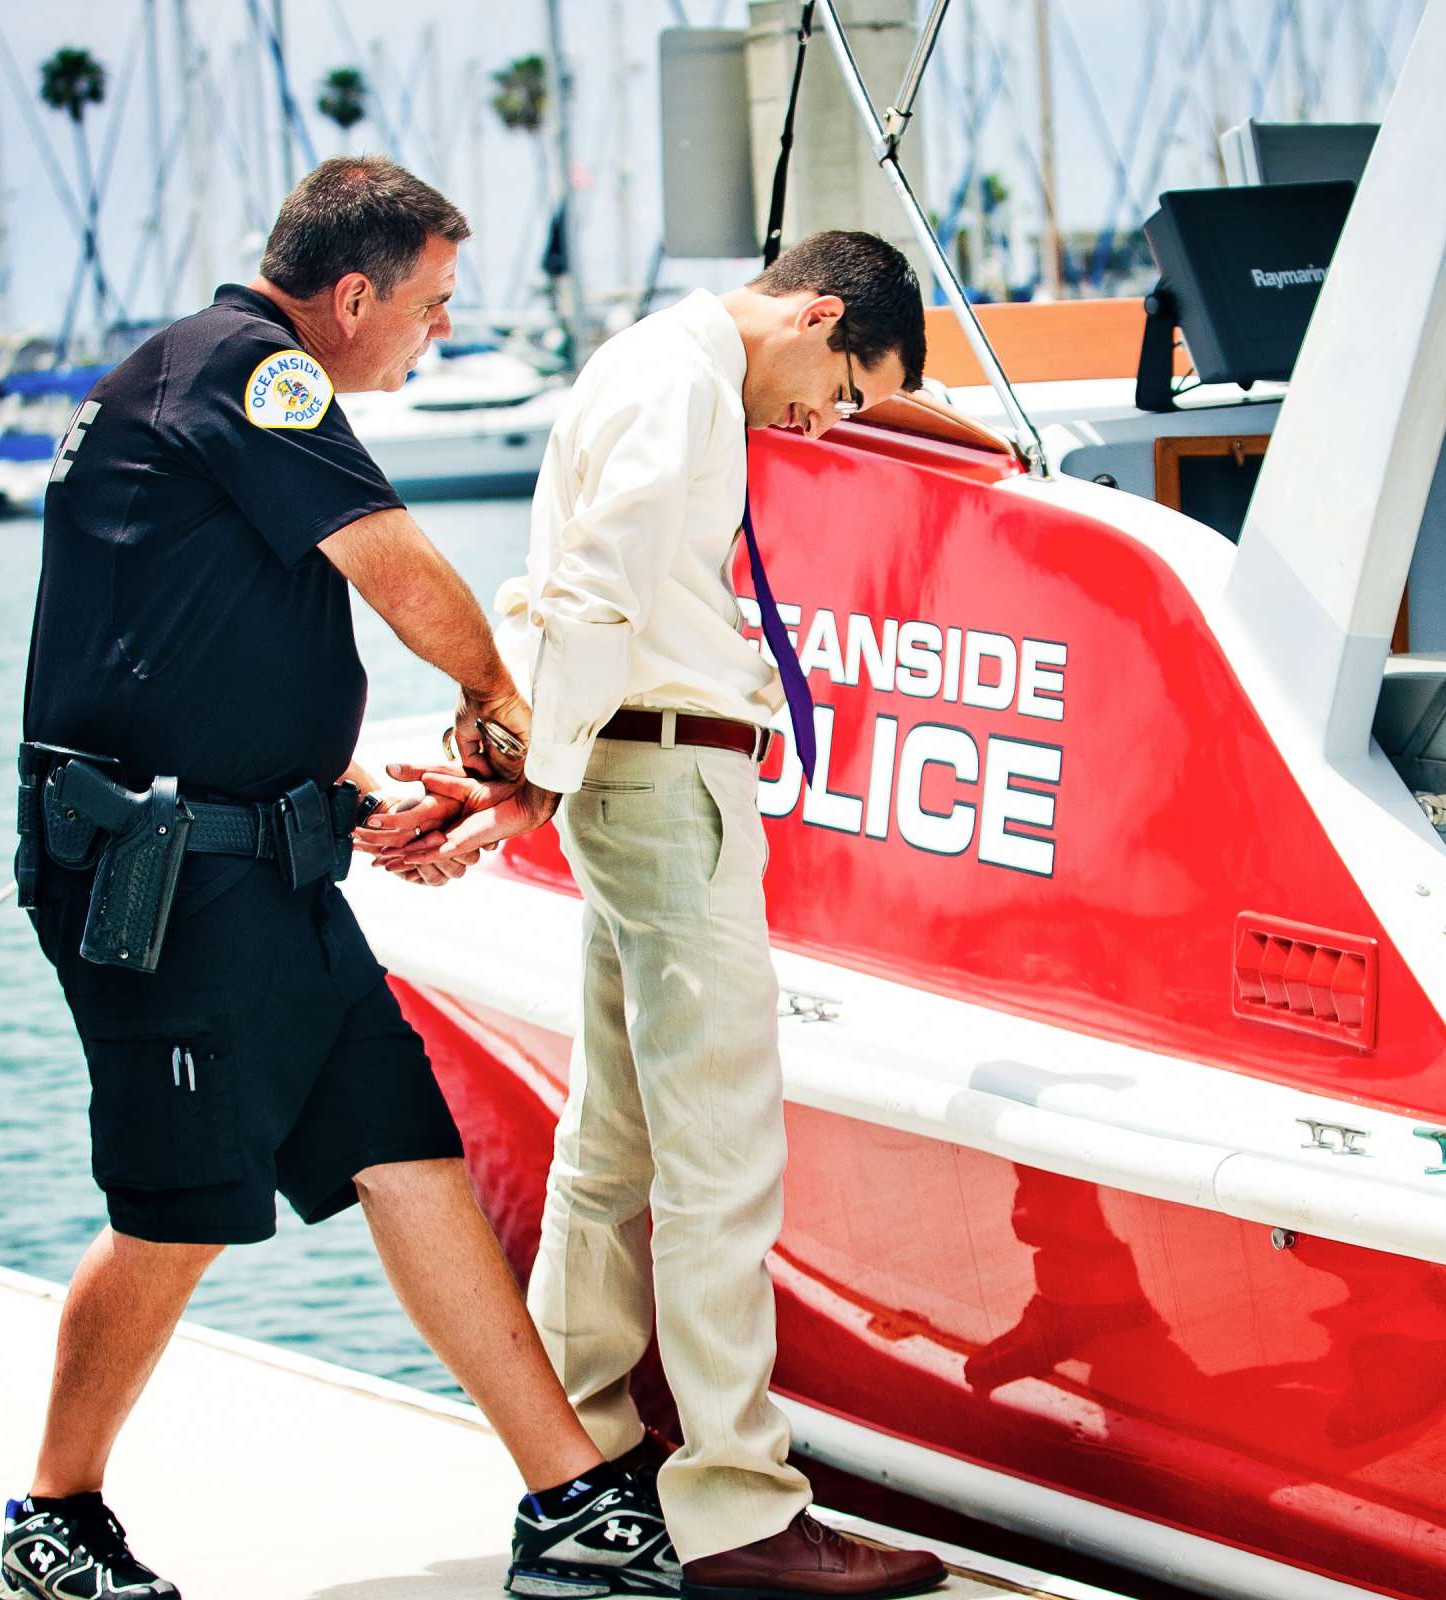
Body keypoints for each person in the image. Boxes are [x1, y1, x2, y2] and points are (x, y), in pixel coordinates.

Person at [4, 156, 678, 1600]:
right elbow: (393, 566)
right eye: (431, 305)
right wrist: (501, 690)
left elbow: (191, 649)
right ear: (353, 292)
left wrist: (336, 796)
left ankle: (568, 1502)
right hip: (166, 884)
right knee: (177, 1209)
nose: (438, 331)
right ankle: (53, 1520)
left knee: (404, 1146)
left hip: (254, 866)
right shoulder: (255, 374)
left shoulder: (196, 377)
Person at [380, 234, 948, 1600]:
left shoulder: (663, 366)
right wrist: (533, 781)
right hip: (664, 779)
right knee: (721, 1155)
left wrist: (542, 779)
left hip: (632, 774)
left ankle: (589, 1460)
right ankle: (739, 1505)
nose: (828, 422)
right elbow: (593, 593)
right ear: (816, 314)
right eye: (845, 388)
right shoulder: (679, 383)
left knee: (616, 1143)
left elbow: (585, 591)